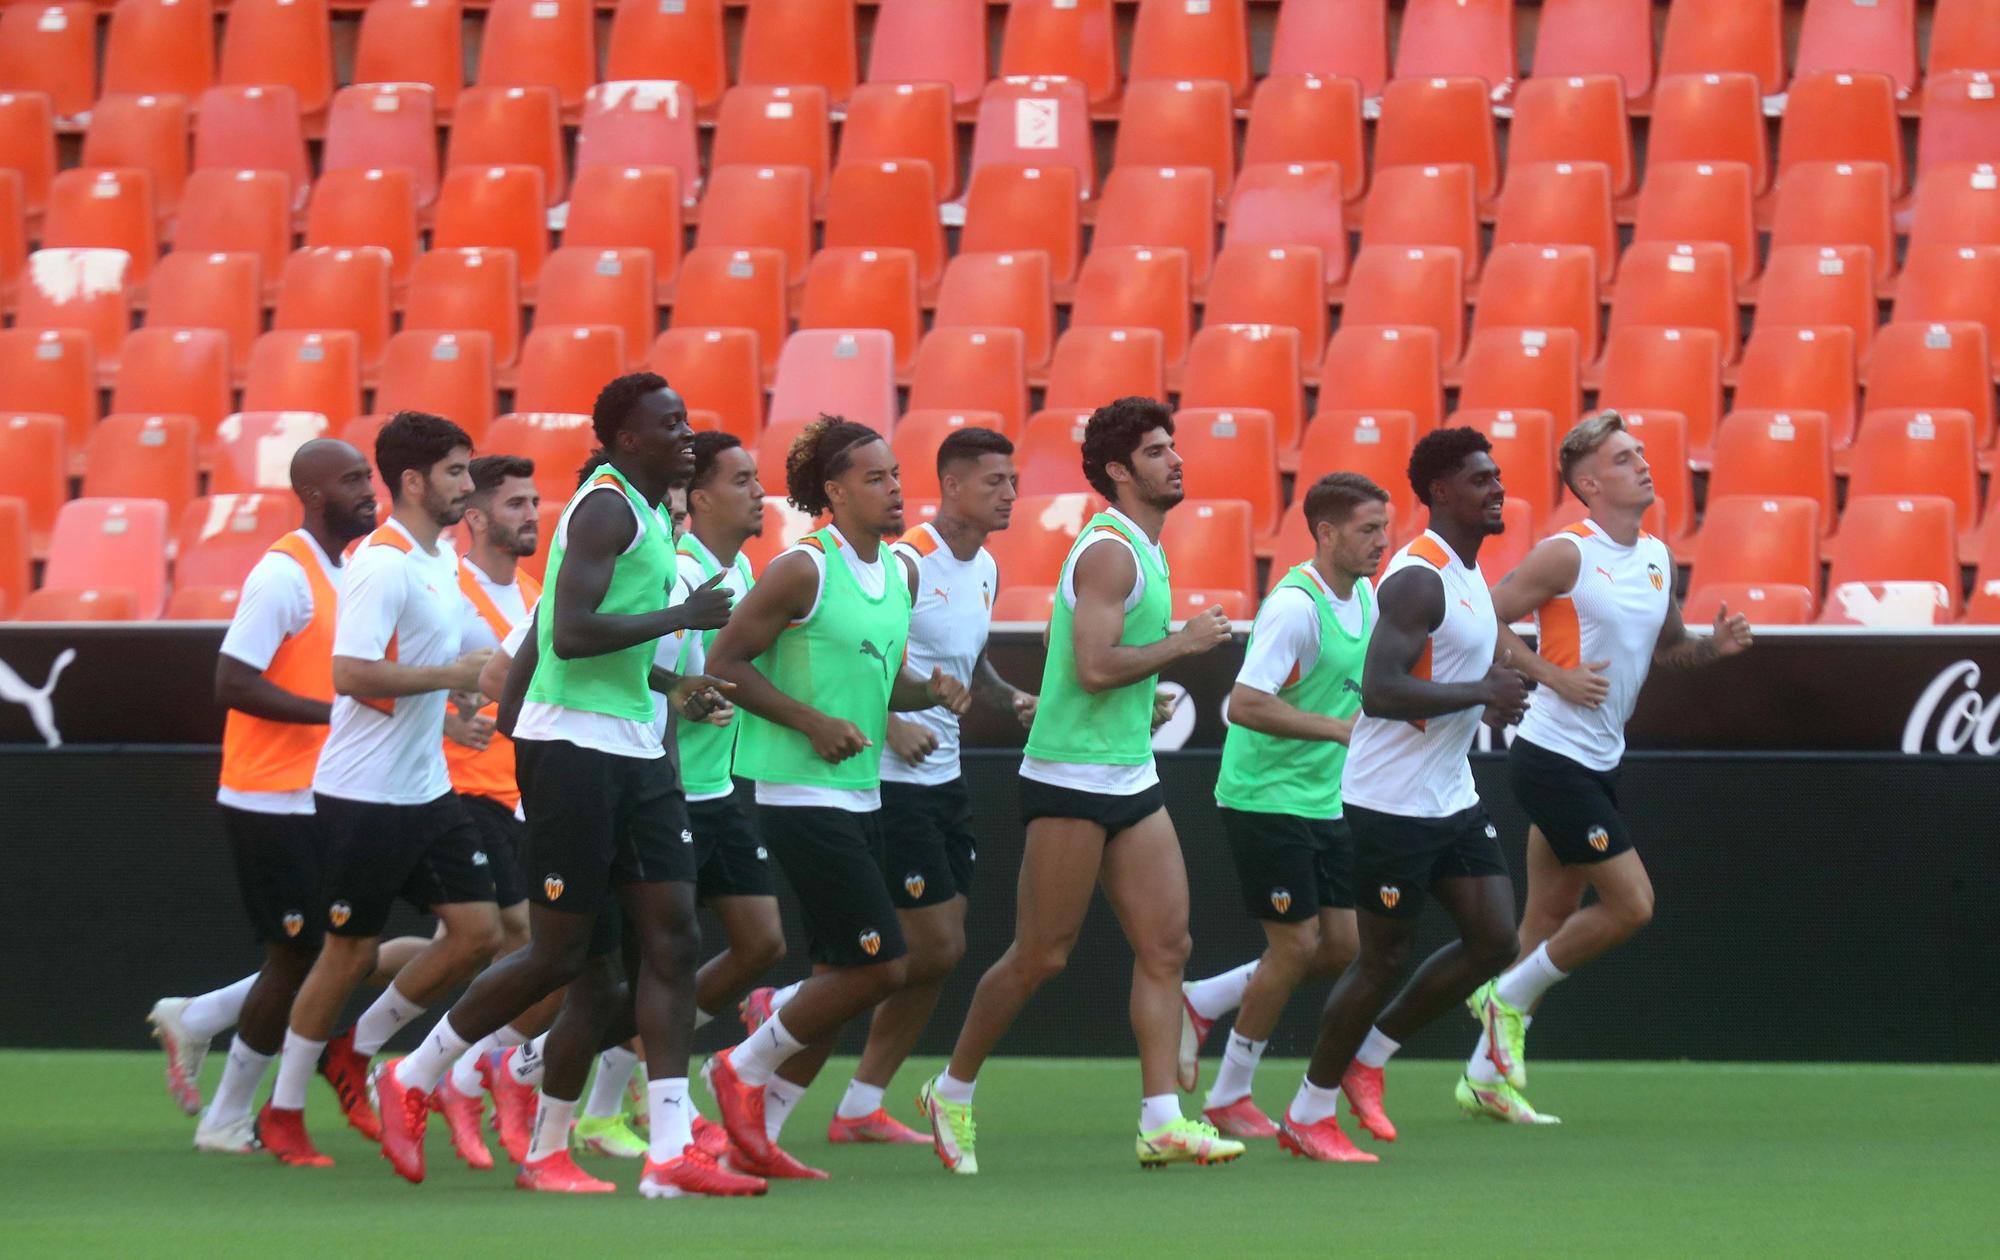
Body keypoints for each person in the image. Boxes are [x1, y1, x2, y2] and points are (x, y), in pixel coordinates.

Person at [375, 373, 759, 1199]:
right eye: (670, 423)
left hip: (635, 746)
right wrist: (680, 620)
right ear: (626, 440)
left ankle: (665, 1153)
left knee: (673, 941)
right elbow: (573, 633)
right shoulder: (606, 506)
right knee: (561, 954)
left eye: (687, 419)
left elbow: (600, 642)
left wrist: (671, 682)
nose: (687, 434)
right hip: (576, 749)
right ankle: (414, 1071)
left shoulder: (655, 513)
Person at [919, 396, 1244, 1174]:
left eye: (1174, 447)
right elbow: (1096, 667)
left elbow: (1107, 671)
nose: (1177, 460)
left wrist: (1150, 688)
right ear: (1118, 472)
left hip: (1130, 773)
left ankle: (1162, 1120)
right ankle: (951, 1090)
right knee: (1041, 955)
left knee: (1169, 946)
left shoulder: (1144, 547)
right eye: (1159, 451)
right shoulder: (1111, 553)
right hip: (1068, 775)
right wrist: (1182, 645)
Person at [1454, 412, 1752, 1123]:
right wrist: (1547, 677)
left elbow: (1671, 646)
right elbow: (1480, 618)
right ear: (1590, 483)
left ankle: (1483, 1078)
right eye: (1624, 458)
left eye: (1641, 453)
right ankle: (1505, 1001)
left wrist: (1716, 646)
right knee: (1631, 905)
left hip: (1599, 761)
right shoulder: (1566, 554)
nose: (1644, 464)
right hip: (1551, 758)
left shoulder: (1656, 556)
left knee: (1545, 921)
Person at [701, 416, 970, 1180]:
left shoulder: (901, 572)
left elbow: (881, 673)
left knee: (836, 974)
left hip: (862, 796)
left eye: (895, 475)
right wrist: (811, 722)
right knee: (882, 965)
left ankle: (759, 1131)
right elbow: (725, 663)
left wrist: (928, 689)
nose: (895, 490)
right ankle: (740, 1066)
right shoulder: (801, 569)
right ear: (834, 491)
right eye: (877, 478)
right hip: (798, 795)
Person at [755, 426, 1035, 1146]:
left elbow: (965, 669)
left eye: (1013, 481)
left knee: (931, 954)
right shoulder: (904, 561)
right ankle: (783, 1018)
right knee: (914, 950)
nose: (1009, 493)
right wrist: (889, 720)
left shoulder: (985, 570)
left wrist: (1013, 702)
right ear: (952, 486)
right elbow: (863, 659)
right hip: (884, 777)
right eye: (994, 481)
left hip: (944, 780)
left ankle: (855, 1104)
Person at [1275, 426, 1532, 1164]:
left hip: (1449, 792)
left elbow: (1431, 679)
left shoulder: (1467, 573)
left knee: (1495, 940)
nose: (1496, 487)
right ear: (1441, 493)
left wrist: (1478, 700)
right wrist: (1480, 690)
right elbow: (1382, 689)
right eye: (1480, 479)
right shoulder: (1418, 576)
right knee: (1380, 959)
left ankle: (1369, 1059)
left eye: (1497, 475)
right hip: (1390, 801)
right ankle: (1308, 1111)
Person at [258, 413, 503, 1168]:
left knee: (480, 935)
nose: (469, 486)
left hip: (426, 790)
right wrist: (450, 682)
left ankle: (357, 1049)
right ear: (414, 481)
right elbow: (350, 676)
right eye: (458, 472)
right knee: (347, 953)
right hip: (361, 795)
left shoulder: (438, 564)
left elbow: (486, 657)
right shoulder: (382, 564)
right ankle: (283, 1111)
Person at [145, 440, 379, 1152]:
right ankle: (224, 1117)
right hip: (270, 797)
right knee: (301, 956)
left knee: (333, 952)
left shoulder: (347, 572)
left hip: (323, 794)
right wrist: (332, 715)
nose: (368, 492)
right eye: (351, 481)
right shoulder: (284, 573)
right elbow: (232, 681)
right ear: (312, 495)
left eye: (368, 478)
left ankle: (202, 1018)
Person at [1181, 473, 1391, 1138]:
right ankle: (1228, 1095)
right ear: (1326, 533)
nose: (1381, 542)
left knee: (1340, 946)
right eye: (1367, 530)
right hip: (1264, 797)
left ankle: (1204, 999)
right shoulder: (1296, 607)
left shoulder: (1367, 599)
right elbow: (1244, 703)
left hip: (1323, 799)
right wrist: (1336, 729)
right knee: (1296, 946)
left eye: (1384, 529)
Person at [423, 454, 560, 1169]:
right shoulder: (448, 589)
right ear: (473, 518)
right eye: (515, 504)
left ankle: (459, 1075)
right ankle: (461, 1077)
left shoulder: (537, 593)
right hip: (454, 788)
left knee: (495, 947)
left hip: (518, 793)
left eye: (536, 502)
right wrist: (452, 721)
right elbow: (406, 672)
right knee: (519, 941)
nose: (532, 514)